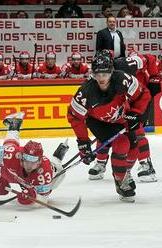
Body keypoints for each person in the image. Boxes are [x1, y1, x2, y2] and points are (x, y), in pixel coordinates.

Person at [67, 55, 151, 202]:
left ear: (111, 72)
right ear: (92, 74)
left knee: (134, 149)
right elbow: (74, 117)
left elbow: (143, 94)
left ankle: (125, 172)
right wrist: (83, 142)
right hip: (98, 122)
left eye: (105, 74)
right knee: (122, 143)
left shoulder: (122, 79)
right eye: (97, 74)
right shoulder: (86, 91)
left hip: (120, 118)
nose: (101, 78)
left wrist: (136, 114)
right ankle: (120, 180)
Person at [88, 50, 161, 182]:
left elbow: (149, 58)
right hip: (122, 99)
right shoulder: (98, 76)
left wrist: (154, 78)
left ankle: (146, 165)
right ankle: (100, 162)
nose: (100, 75)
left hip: (139, 96)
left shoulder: (126, 63)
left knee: (136, 130)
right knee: (105, 130)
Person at [0, 112, 67, 205]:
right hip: (17, 174)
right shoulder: (13, 154)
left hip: (52, 173)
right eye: (26, 158)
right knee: (8, 153)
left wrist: (34, 197)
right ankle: (14, 124)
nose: (29, 164)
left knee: (57, 173)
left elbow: (44, 199)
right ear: (21, 156)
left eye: (33, 160)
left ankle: (59, 155)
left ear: (39, 162)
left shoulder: (44, 174)